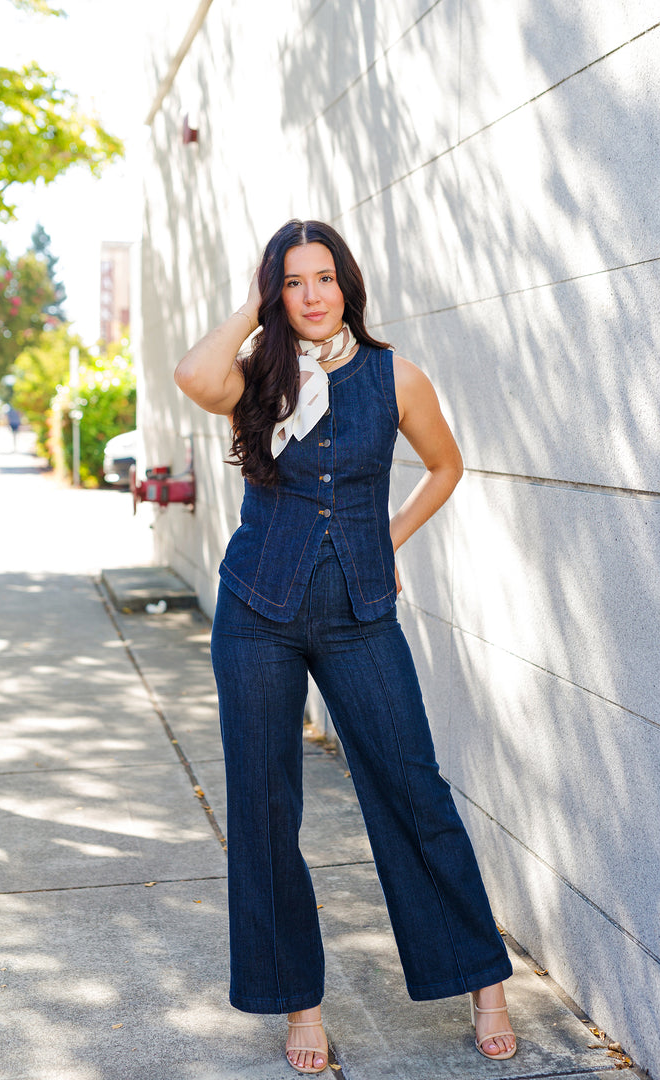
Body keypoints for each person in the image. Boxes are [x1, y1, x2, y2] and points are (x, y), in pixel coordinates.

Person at [174, 219, 517, 1074]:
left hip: (360, 612)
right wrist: (251, 309)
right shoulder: (258, 375)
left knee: (413, 788)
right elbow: (193, 375)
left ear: (347, 284)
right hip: (257, 609)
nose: (312, 295)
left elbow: (445, 466)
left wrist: (386, 538)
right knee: (263, 807)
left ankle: (483, 983)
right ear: (277, 293)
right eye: (293, 282)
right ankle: (300, 1005)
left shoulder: (396, 376)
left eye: (323, 277)